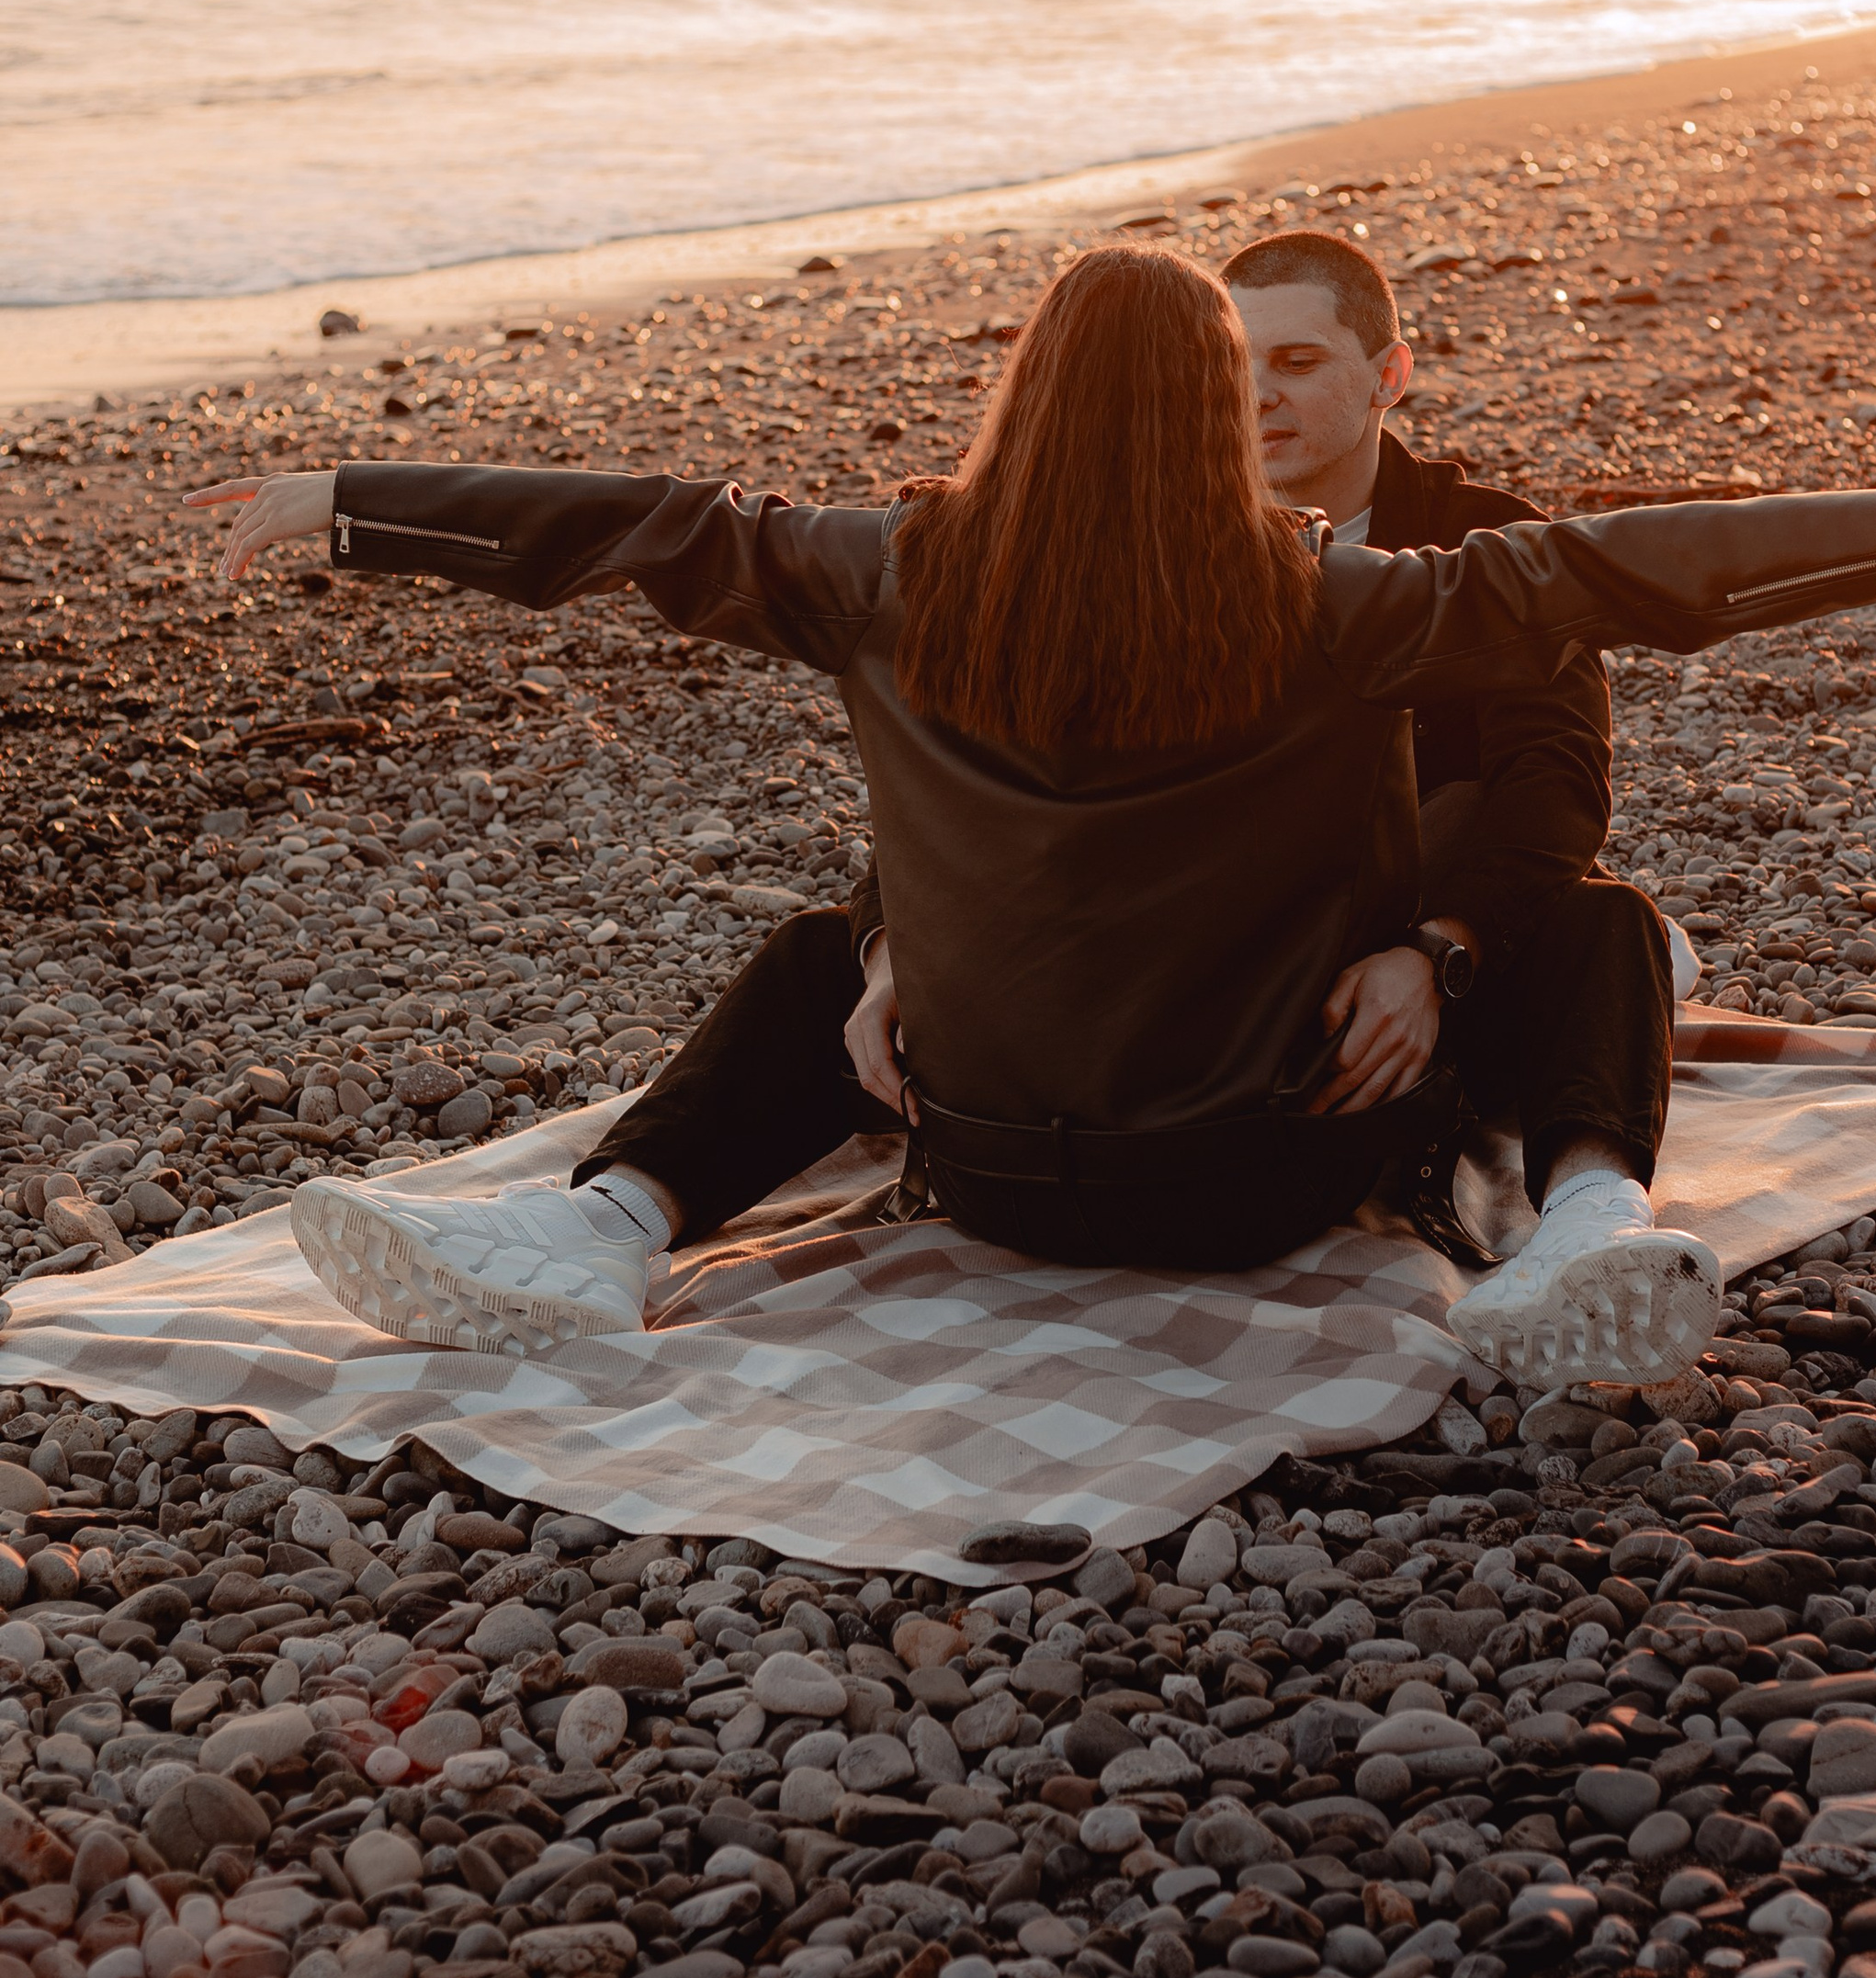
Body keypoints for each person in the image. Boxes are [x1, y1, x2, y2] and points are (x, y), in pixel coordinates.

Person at [186, 245, 1876, 1394]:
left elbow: (651, 527)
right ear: (1202, 409)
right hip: (1260, 1175)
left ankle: (606, 1226)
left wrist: (360, 505)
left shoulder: (887, 571)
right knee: (1597, 924)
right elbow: (1589, 575)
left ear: (1024, 396)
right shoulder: (1334, 600)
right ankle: (1583, 1228)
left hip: (987, 1171)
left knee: (818, 951)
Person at [521, 228, 1662, 1352]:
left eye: (1298, 362)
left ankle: (1591, 1227)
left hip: (1381, 975)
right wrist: (894, 949)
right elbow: (966, 805)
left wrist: (1439, 950)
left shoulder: (1479, 543)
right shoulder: (1125, 548)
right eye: (1235, 363)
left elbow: (1555, 780)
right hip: (1185, 968)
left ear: (1388, 375)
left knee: (1603, 920)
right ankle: (608, 1218)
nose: (1259, 394)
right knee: (826, 954)